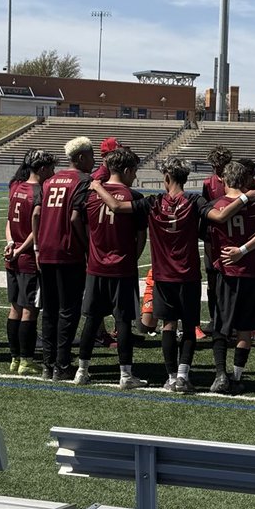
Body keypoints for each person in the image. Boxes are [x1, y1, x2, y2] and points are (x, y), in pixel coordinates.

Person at [91, 156, 253, 392]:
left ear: (166, 178)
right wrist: (247, 196)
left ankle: (170, 377)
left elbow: (116, 206)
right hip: (188, 274)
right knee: (188, 327)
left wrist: (97, 186)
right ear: (185, 178)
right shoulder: (195, 201)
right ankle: (183, 376)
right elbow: (220, 216)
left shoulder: (153, 202)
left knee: (168, 325)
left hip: (163, 275)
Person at [206, 159, 255, 394]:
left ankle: (221, 375)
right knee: (245, 329)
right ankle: (237, 376)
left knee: (221, 327)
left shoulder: (216, 204)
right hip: (250, 272)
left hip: (226, 273)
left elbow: (209, 237)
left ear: (225, 180)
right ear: (246, 180)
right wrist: (245, 250)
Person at [74, 147, 148, 388]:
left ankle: (82, 371)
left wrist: (90, 248)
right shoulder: (133, 196)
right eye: (134, 171)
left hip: (96, 266)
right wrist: (131, 258)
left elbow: (77, 221)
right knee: (123, 321)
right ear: (126, 170)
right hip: (122, 268)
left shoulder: (92, 194)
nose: (134, 176)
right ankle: (126, 375)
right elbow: (141, 237)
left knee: (92, 320)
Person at [35, 137, 94, 380]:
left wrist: (38, 246)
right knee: (68, 310)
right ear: (80, 157)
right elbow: (74, 218)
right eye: (91, 156)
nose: (93, 161)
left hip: (46, 250)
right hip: (68, 251)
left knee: (49, 310)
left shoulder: (49, 181)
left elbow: (37, 213)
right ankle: (62, 363)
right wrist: (86, 246)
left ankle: (48, 365)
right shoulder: (83, 181)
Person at [5, 150, 54, 377]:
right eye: (51, 168)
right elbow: (37, 226)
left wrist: (10, 245)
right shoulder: (39, 192)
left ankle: (15, 358)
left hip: (13, 255)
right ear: (42, 169)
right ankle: (26, 359)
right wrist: (22, 250)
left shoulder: (16, 187)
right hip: (26, 260)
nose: (53, 173)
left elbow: (8, 221)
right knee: (29, 311)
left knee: (14, 307)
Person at [199, 145, 233, 341]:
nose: (218, 169)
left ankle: (230, 321)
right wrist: (205, 237)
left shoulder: (235, 180)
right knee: (212, 280)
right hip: (213, 237)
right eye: (215, 165)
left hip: (232, 236)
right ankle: (214, 319)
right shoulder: (208, 183)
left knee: (230, 280)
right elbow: (204, 212)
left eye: (221, 165)